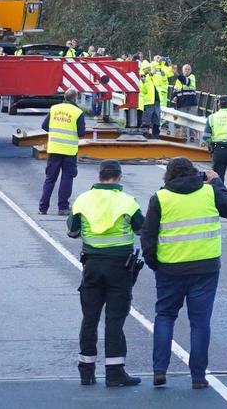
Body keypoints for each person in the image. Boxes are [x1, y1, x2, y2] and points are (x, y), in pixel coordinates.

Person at [142, 156, 227, 389]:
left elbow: (148, 235)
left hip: (170, 267)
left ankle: (159, 370)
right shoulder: (208, 192)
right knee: (200, 322)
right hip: (205, 267)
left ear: (167, 175)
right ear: (194, 172)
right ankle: (198, 376)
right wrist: (217, 181)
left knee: (165, 317)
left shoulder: (160, 197)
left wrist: (154, 263)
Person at [69, 159, 145, 386]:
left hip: (91, 266)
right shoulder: (127, 201)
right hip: (120, 267)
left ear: (99, 176)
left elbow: (73, 232)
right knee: (115, 320)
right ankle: (114, 372)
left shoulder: (83, 199)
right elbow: (141, 229)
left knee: (89, 318)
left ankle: (86, 370)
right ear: (119, 177)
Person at [39, 98, 89, 215]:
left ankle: (43, 208)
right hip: (69, 151)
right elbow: (81, 132)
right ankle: (63, 208)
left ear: (65, 98)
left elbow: (44, 126)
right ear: (75, 99)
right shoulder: (77, 112)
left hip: (54, 149)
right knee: (67, 178)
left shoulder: (54, 109)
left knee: (50, 179)